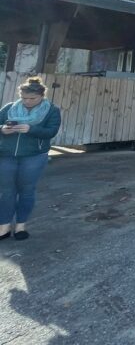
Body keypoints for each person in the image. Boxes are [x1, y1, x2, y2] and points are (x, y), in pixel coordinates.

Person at [0, 77, 62, 241]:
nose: (27, 101)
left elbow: (51, 132)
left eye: (32, 98)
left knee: (26, 191)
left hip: (34, 156)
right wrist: (3, 129)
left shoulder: (51, 111)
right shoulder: (8, 108)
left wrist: (31, 129)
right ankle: (4, 227)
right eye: (24, 98)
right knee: (6, 192)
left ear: (42, 96)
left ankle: (20, 226)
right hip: (6, 155)